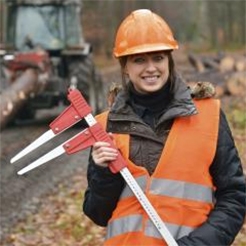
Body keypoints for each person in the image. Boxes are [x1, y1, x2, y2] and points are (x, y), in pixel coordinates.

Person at [83, 9, 246, 246]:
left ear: (169, 60)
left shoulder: (208, 116)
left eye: (158, 57)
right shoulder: (106, 127)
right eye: (139, 59)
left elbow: (234, 197)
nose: (151, 68)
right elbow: (97, 214)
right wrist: (102, 172)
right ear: (125, 66)